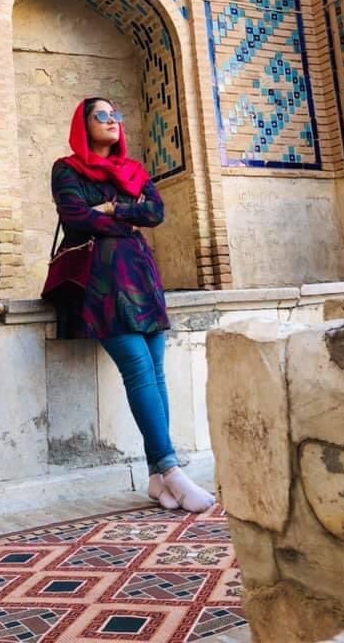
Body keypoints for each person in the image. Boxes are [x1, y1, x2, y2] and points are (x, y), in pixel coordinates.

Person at [49, 97, 215, 513]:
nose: (112, 122)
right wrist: (127, 213)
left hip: (140, 275)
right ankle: (172, 468)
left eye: (116, 115)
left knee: (156, 369)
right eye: (101, 116)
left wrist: (112, 208)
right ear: (82, 124)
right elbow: (76, 218)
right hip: (102, 280)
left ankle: (158, 480)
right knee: (138, 368)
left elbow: (156, 212)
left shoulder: (134, 171)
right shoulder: (66, 169)